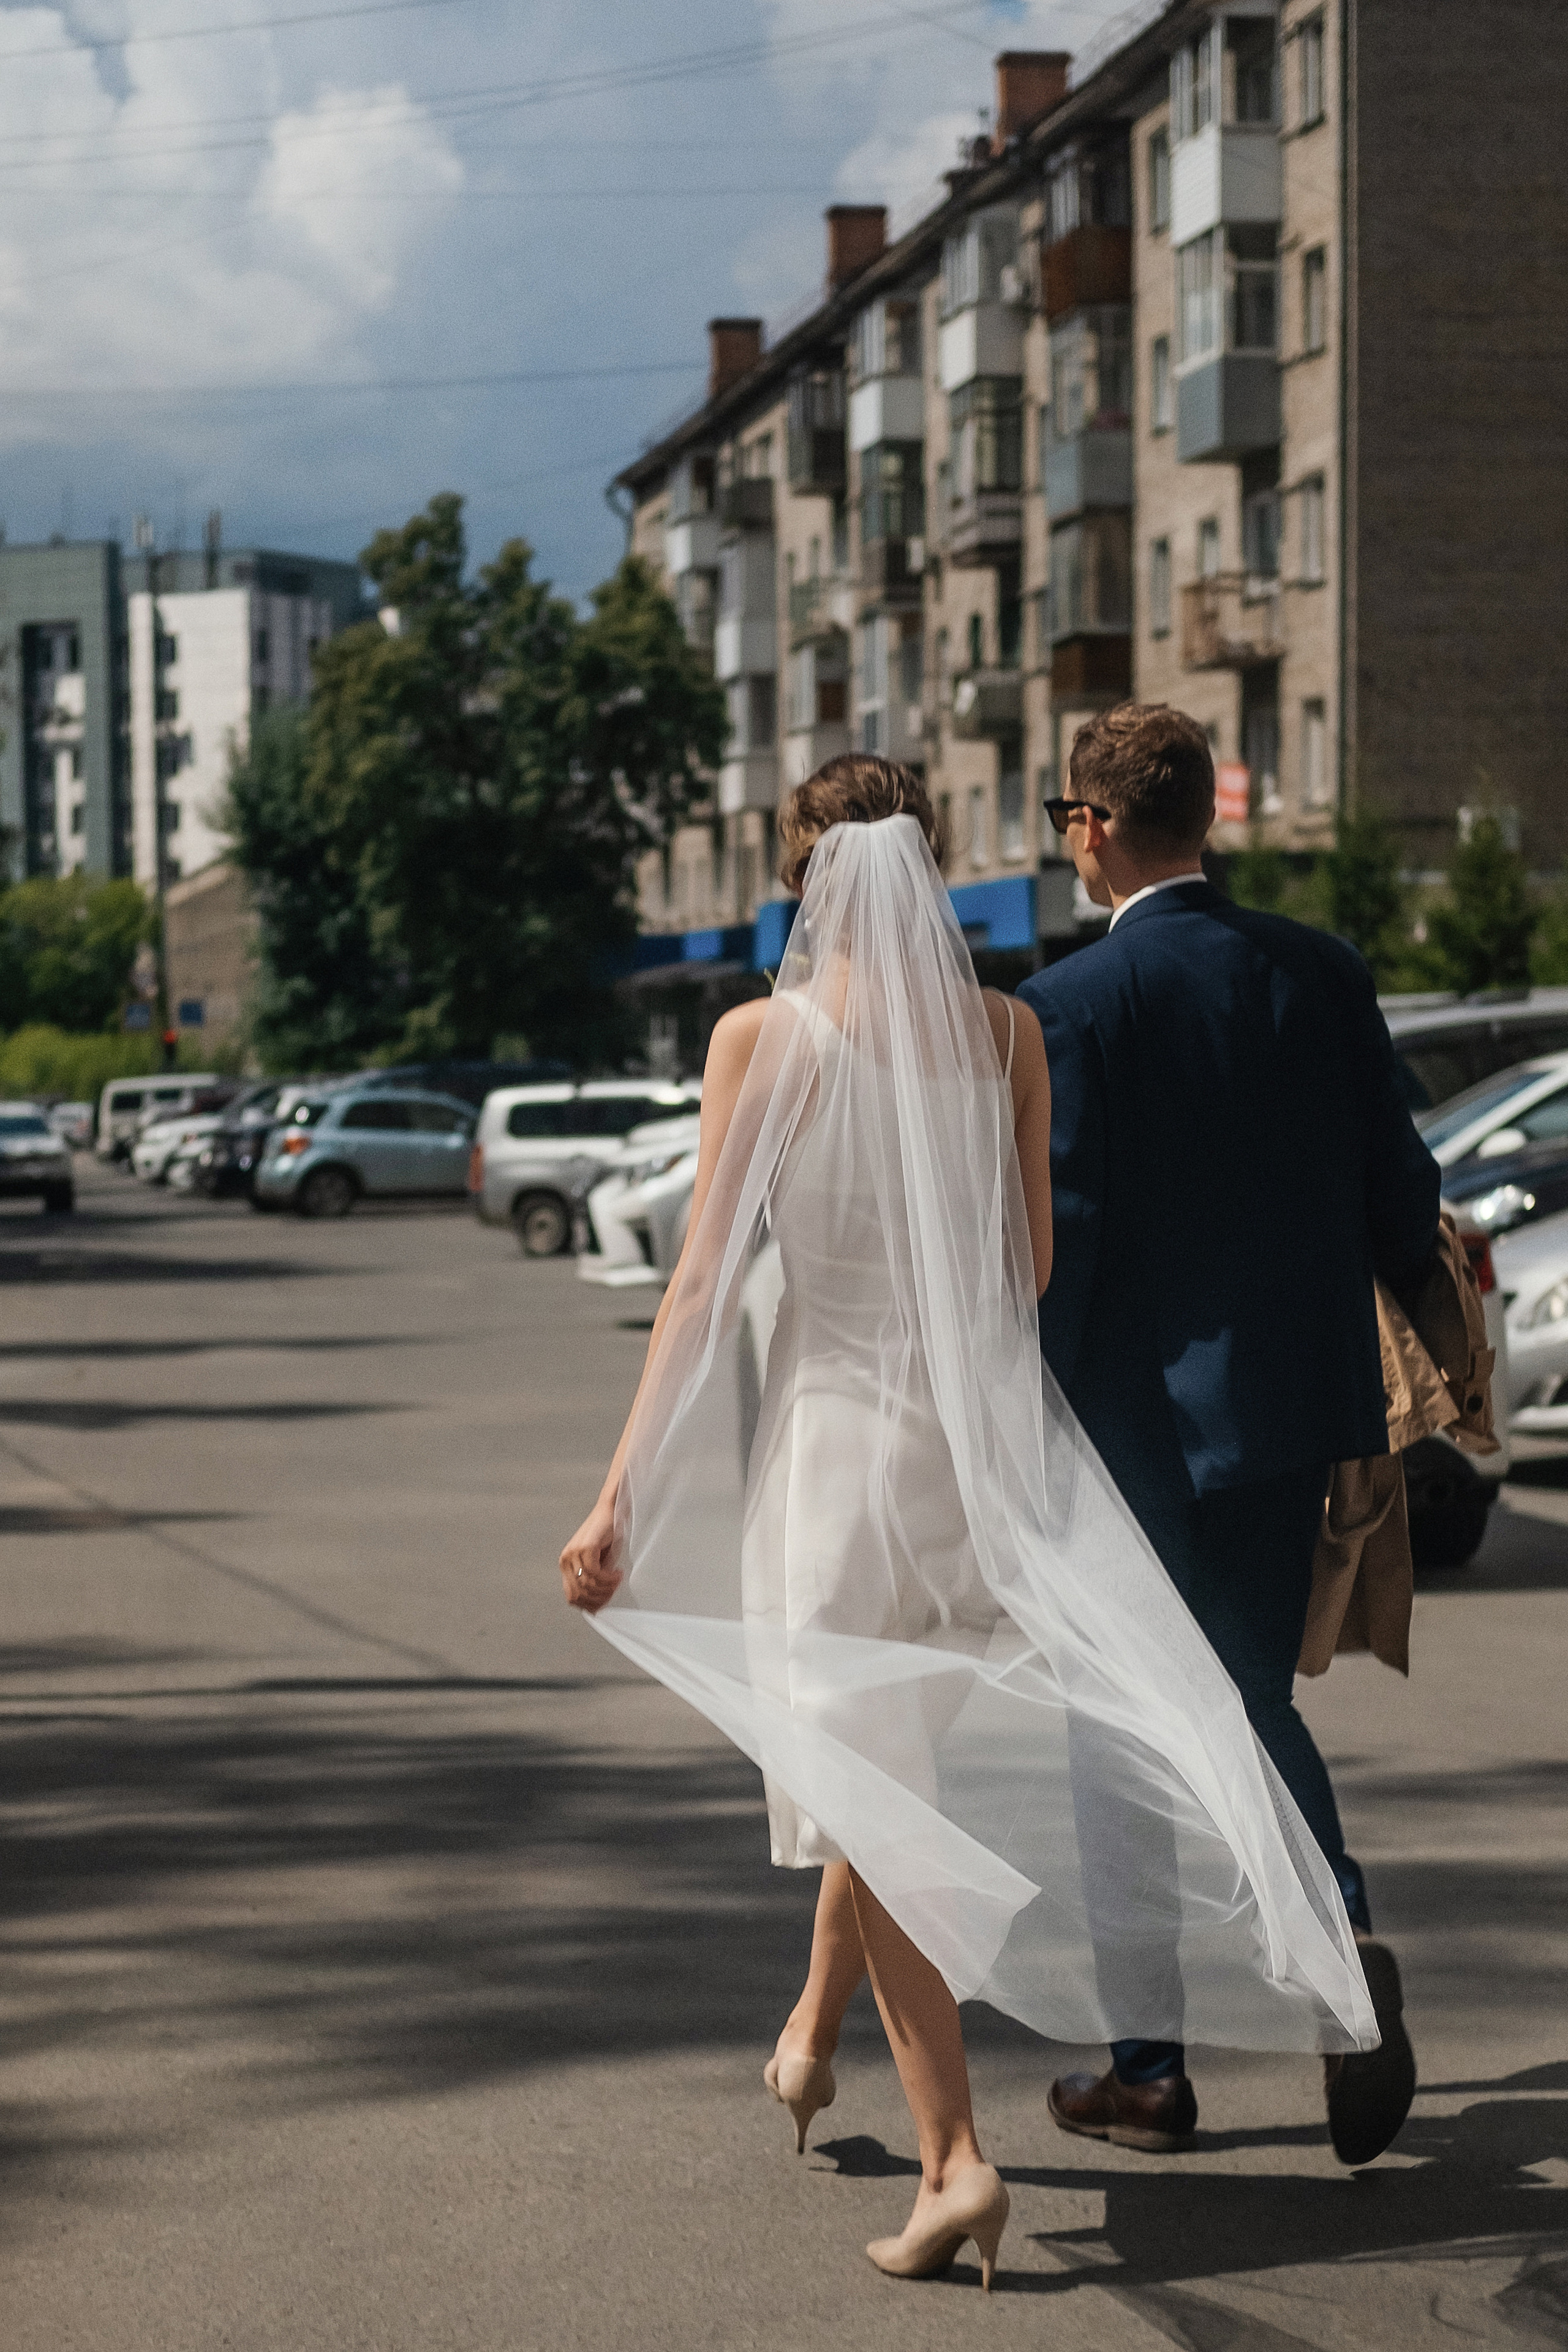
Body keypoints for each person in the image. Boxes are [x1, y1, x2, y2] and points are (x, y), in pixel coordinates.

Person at [560, 755, 1378, 2291]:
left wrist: (620, 1496)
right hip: (966, 1467)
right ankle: (808, 2044)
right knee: (878, 1776)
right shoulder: (1006, 1033)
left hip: (829, 1458)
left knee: (869, 1801)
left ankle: (953, 2166)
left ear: (807, 878)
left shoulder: (759, 1037)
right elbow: (1023, 1270)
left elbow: (698, 1282)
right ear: (922, 865)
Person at [1016, 703, 1439, 2166]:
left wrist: (1023, 1417)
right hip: (1293, 1407)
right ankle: (1343, 1949)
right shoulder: (1319, 972)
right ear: (1206, 815)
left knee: (1119, 1738)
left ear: (1090, 827)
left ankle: (1147, 2072)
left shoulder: (1072, 1006)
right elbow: (1398, 1177)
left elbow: (1059, 1233)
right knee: (1254, 1703)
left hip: (1131, 1430)